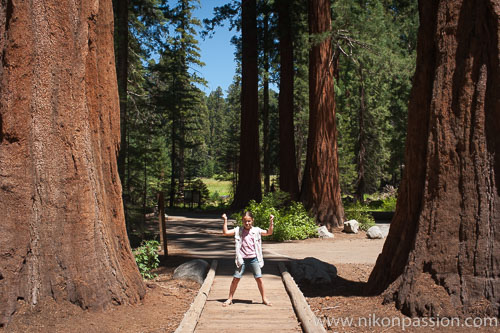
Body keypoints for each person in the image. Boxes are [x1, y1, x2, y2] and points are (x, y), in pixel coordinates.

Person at [221, 211, 274, 307]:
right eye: (245, 221)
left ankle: (264, 298)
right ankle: (230, 298)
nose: (247, 223)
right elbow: (225, 232)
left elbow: (269, 232)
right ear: (242, 221)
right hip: (242, 259)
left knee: (259, 278)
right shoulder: (238, 230)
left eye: (249, 221)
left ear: (252, 220)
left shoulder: (257, 230)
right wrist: (225, 220)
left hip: (254, 258)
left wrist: (271, 222)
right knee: (236, 278)